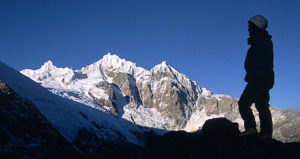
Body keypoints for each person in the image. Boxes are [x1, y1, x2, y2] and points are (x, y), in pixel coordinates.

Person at [239, 15, 274, 139]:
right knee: (261, 105)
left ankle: (251, 129)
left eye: (250, 27)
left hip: (258, 79)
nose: (248, 29)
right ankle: (265, 134)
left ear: (256, 26)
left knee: (244, 104)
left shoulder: (261, 42)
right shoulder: (262, 41)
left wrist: (258, 79)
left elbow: (262, 62)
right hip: (262, 78)